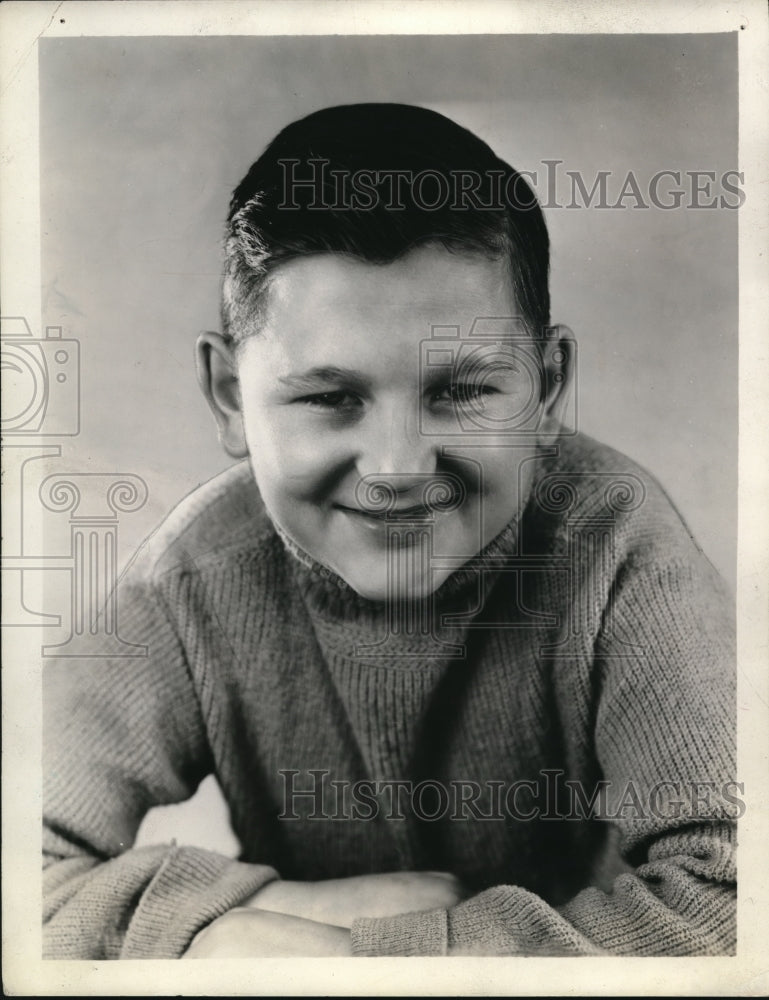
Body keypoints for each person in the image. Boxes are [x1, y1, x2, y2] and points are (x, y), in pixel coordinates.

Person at [43, 103, 737, 959]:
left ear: (547, 387)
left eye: (461, 391)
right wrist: (257, 915)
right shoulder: (191, 577)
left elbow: (730, 900)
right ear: (229, 396)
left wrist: (358, 954)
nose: (398, 466)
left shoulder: (619, 549)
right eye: (330, 398)